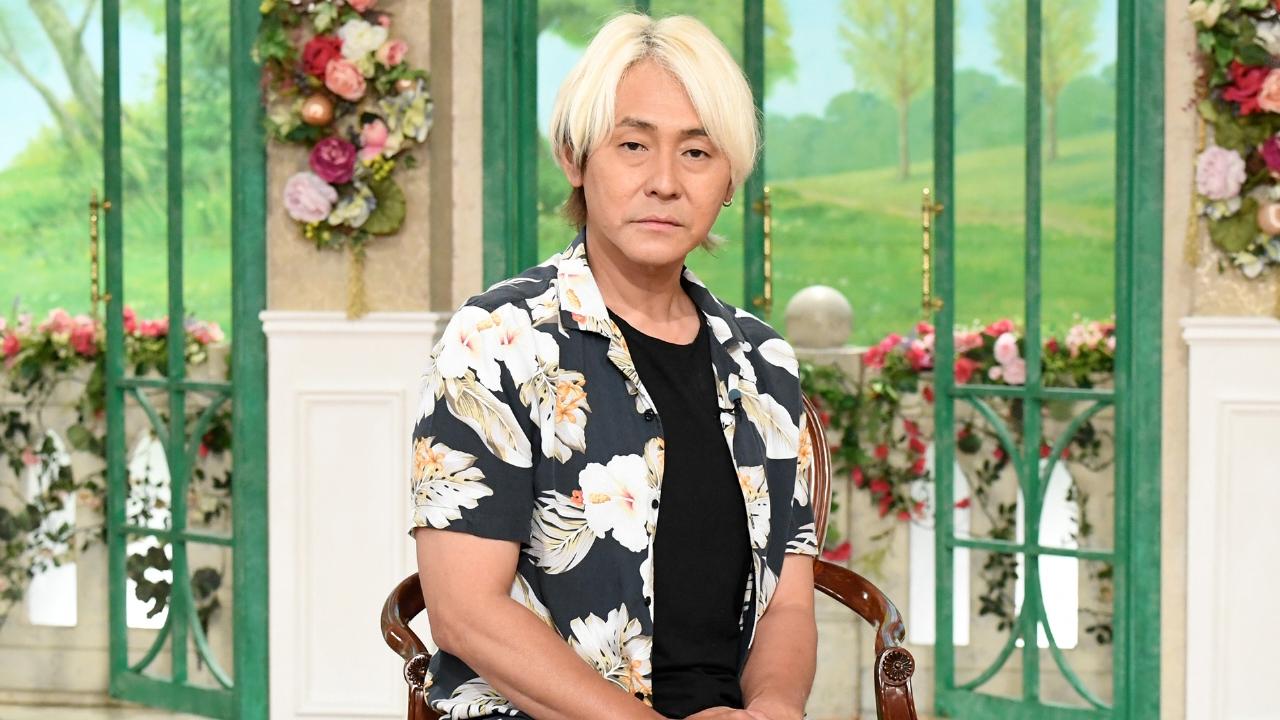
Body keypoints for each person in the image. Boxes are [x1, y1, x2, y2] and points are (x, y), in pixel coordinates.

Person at [410, 13, 818, 720]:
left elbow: (787, 605)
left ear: (729, 179)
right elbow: (465, 612)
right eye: (633, 145)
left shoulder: (764, 364)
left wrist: (772, 711)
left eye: (697, 152)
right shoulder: (497, 342)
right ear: (575, 158)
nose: (665, 182)